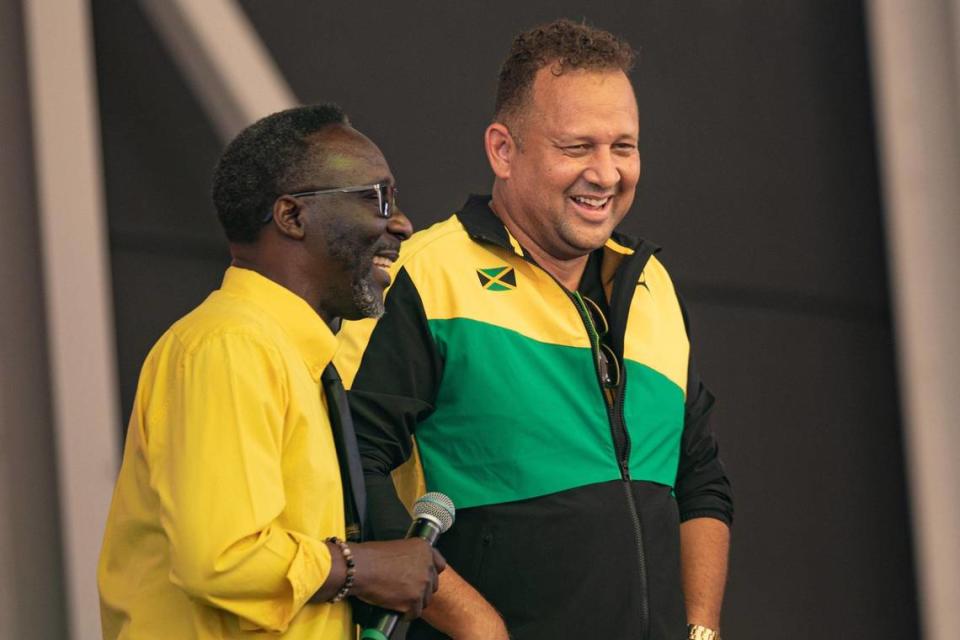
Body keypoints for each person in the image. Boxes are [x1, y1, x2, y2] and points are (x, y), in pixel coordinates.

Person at [335, 19, 733, 640]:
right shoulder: (424, 275)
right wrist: (476, 624)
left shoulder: (653, 285)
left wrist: (701, 629)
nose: (605, 174)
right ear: (503, 149)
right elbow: (350, 461)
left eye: (623, 147)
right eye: (577, 147)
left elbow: (700, 478)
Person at [98, 104, 446, 639]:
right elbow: (221, 557)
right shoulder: (231, 346)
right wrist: (364, 567)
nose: (401, 223)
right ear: (291, 216)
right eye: (377, 198)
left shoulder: (289, 357)